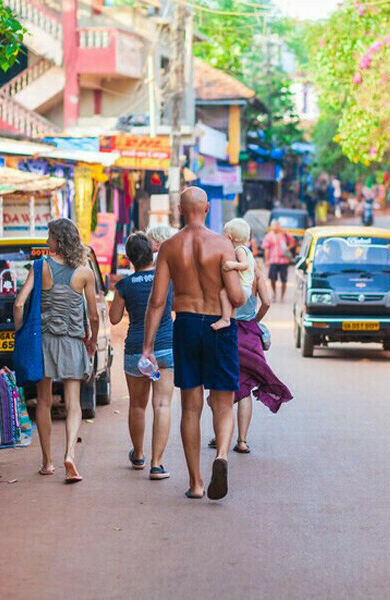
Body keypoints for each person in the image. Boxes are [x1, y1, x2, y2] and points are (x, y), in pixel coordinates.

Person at [141, 186, 245, 500]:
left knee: (190, 406)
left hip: (185, 324)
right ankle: (222, 456)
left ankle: (196, 484)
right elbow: (238, 298)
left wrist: (147, 347)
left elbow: (157, 302)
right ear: (208, 207)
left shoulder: (170, 247)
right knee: (223, 402)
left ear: (180, 210)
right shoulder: (222, 244)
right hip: (218, 324)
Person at [14, 218, 99, 484]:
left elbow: (19, 304)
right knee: (73, 403)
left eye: (50, 235)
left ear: (58, 239)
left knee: (45, 401)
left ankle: (47, 462)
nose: (46, 239)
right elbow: (94, 316)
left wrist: (20, 334)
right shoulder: (85, 272)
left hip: (45, 342)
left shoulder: (40, 268)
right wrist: (93, 340)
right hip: (73, 342)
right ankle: (70, 454)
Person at [109, 233, 175, 481]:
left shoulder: (124, 285)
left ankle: (138, 455)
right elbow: (175, 305)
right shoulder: (167, 280)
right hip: (166, 348)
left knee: (137, 405)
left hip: (137, 351)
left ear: (129, 258)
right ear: (152, 253)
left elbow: (114, 319)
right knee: (163, 404)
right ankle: (157, 465)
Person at [208, 263, 292, 453]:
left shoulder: (225, 271)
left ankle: (220, 436)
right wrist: (255, 320)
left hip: (227, 332)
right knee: (244, 388)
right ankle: (242, 440)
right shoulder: (255, 273)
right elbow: (267, 302)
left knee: (222, 389)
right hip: (250, 336)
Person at [213, 218, 255, 331]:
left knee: (223, 293)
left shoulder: (239, 250)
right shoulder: (246, 250)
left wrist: (233, 265)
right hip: (246, 288)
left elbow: (245, 265)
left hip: (243, 287)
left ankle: (226, 319)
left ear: (230, 237)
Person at [262, 220, 295, 301]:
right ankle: (274, 293)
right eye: (274, 226)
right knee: (272, 278)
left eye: (277, 225)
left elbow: (292, 243)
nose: (275, 227)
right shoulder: (269, 236)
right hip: (273, 260)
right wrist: (267, 260)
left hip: (284, 261)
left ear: (279, 226)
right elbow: (266, 249)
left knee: (284, 279)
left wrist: (288, 248)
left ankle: (282, 296)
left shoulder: (285, 235)